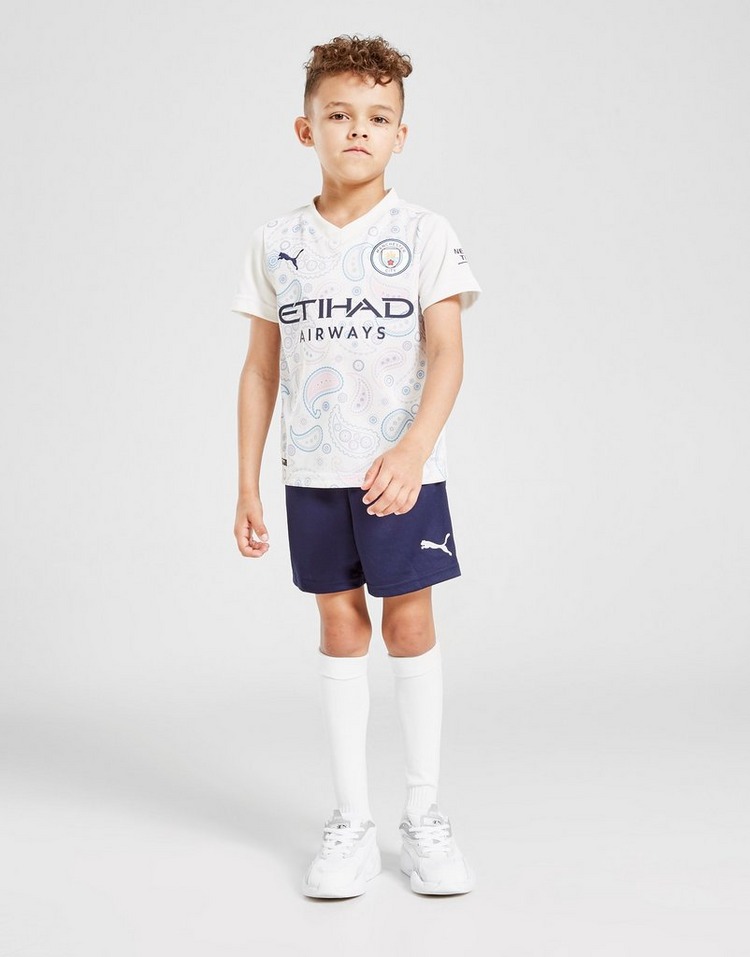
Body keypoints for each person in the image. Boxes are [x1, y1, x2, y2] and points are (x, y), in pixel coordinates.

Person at [230, 34, 481, 898]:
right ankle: (352, 822)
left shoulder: (425, 234)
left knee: (408, 624)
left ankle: (424, 814)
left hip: (401, 474)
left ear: (400, 136)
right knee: (339, 626)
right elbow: (259, 371)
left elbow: (448, 353)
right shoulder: (276, 242)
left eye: (378, 117)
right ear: (307, 129)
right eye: (339, 115)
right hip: (313, 473)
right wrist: (246, 482)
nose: (358, 130)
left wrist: (413, 448)